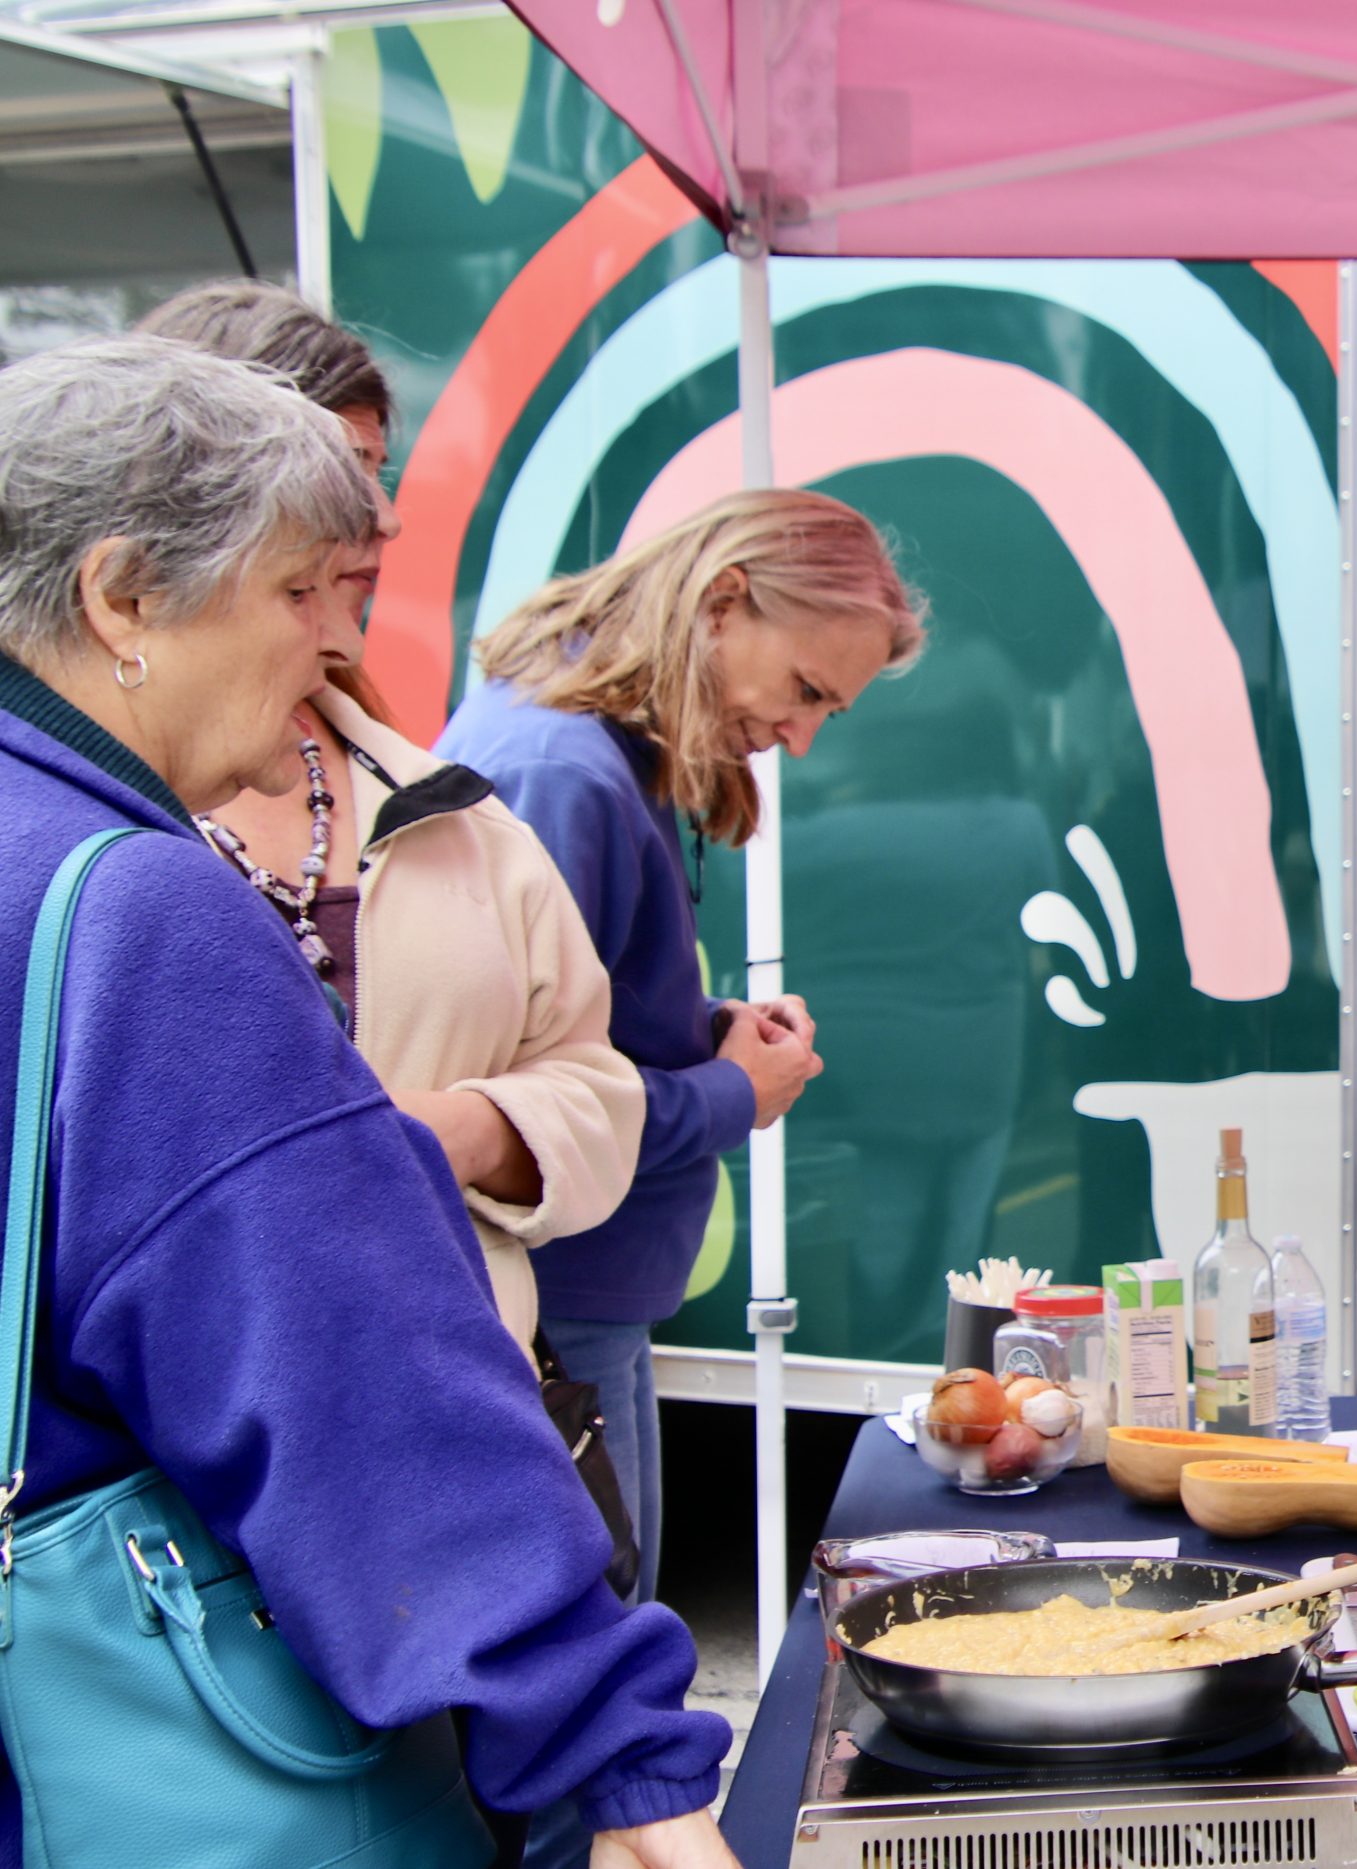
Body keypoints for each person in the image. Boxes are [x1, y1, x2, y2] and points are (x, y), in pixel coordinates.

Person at [0, 334, 739, 1867]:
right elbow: (351, 1374)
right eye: (293, 592)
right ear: (122, 597)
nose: (333, 652)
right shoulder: (142, 906)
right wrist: (622, 1762)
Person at [440, 489, 921, 1866]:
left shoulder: (592, 756)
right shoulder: (568, 774)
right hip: (560, 1314)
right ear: (722, 603)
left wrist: (702, 1027)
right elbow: (512, 1114)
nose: (805, 733)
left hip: (588, 1303)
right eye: (806, 688)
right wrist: (729, 1092)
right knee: (576, 1732)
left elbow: (573, 1028)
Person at [136, 280, 644, 1364]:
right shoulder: (67, 816)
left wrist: (470, 1133)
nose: (382, 518)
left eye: (375, 468)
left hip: (448, 1400)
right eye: (333, 468)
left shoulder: (441, 799)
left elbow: (594, 1085)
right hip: (171, 1467)